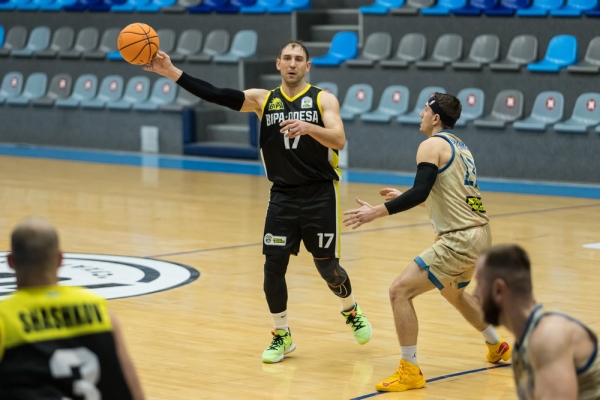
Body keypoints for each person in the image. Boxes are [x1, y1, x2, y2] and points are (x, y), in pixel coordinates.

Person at [144, 41, 372, 363]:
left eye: (299, 59)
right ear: (278, 64)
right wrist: (171, 72)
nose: (292, 64)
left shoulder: (323, 99)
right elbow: (216, 94)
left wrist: (308, 127)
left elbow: (340, 140)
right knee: (272, 267)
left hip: (320, 194)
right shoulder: (263, 100)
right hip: (282, 195)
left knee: (329, 270)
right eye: (287, 58)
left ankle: (350, 310)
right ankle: (282, 335)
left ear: (307, 66)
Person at [342, 93, 511, 392]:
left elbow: (420, 191)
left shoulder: (430, 145)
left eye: (424, 110)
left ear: (435, 117)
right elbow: (447, 196)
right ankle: (496, 345)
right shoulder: (460, 146)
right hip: (480, 235)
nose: (420, 114)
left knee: (399, 292)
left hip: (459, 239)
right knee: (454, 293)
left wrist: (375, 212)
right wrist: (407, 197)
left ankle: (410, 370)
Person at [0, 216, 145, 399]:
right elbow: (132, 388)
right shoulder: (99, 308)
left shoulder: (5, 317)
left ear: (10, 261)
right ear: (60, 259)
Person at [473, 244, 600, 400]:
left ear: (498, 289)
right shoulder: (523, 346)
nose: (474, 294)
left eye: (479, 284)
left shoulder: (549, 337)